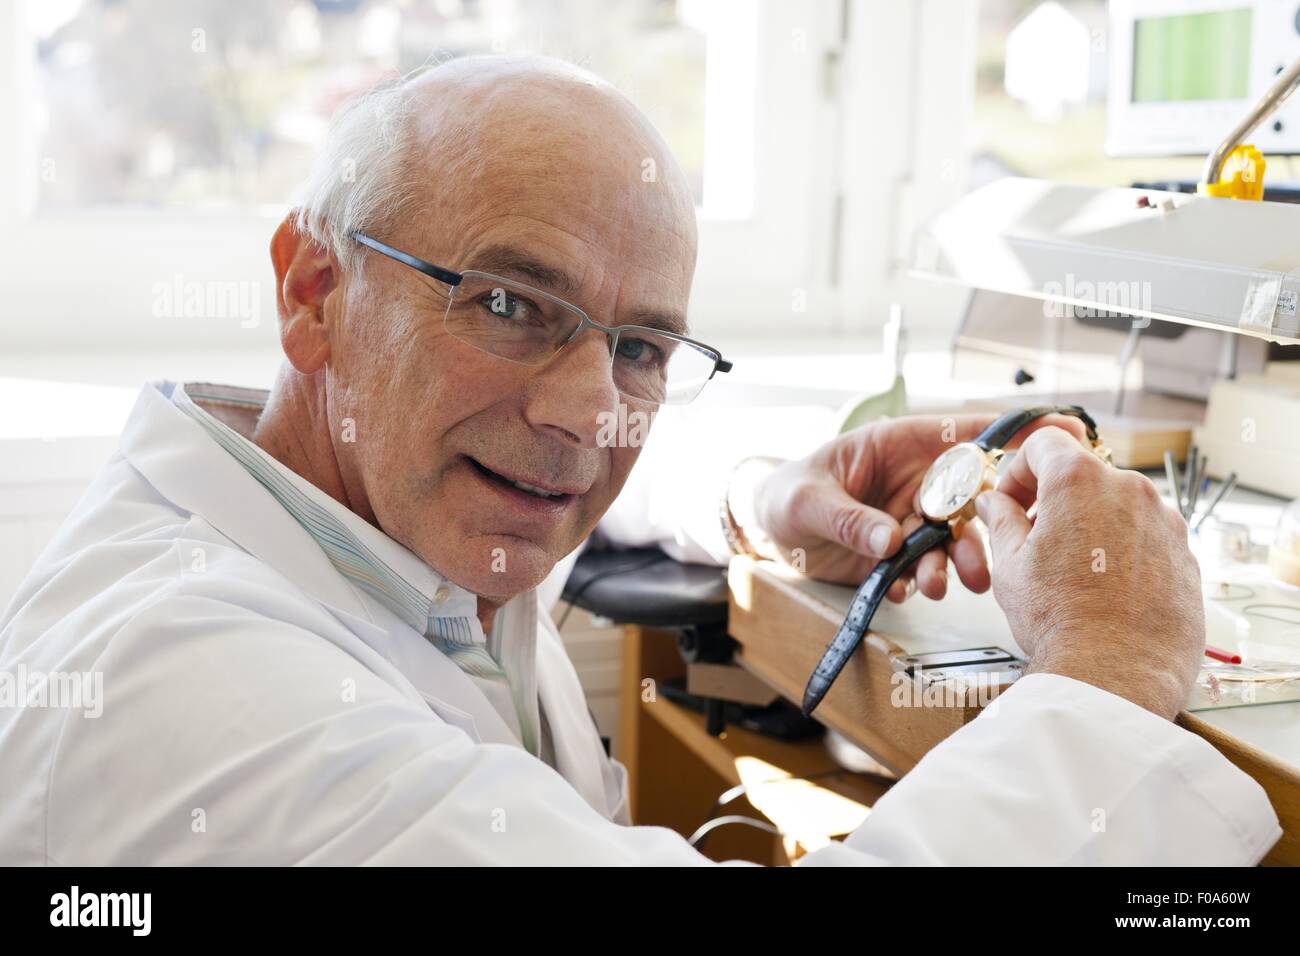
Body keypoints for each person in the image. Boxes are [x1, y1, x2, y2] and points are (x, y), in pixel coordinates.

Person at [0, 55, 1278, 865]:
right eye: (508, 302)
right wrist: (1109, 674)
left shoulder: (368, 504)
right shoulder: (194, 694)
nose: (581, 410)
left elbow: (578, 467)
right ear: (314, 292)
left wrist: (759, 502)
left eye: (646, 346)